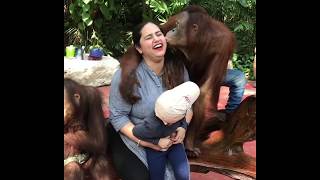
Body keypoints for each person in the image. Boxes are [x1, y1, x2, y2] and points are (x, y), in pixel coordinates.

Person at [108, 21, 190, 180]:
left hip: (170, 134)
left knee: (180, 174)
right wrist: (147, 143)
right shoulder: (125, 75)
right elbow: (118, 116)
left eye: (159, 34)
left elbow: (188, 105)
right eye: (149, 37)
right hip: (134, 133)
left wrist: (183, 128)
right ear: (139, 48)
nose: (156, 39)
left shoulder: (179, 69)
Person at [132, 81, 200, 180]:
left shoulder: (180, 110)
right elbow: (136, 132)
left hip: (174, 144)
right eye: (169, 122)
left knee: (183, 174)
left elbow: (183, 118)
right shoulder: (151, 125)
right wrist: (157, 141)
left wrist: (182, 128)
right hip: (155, 149)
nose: (169, 124)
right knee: (156, 176)